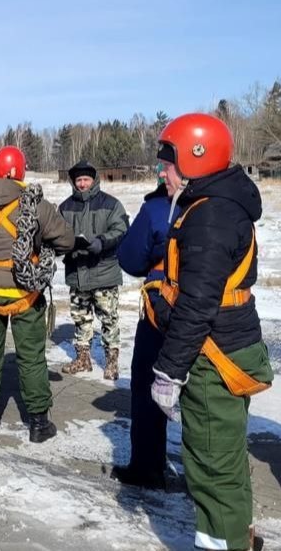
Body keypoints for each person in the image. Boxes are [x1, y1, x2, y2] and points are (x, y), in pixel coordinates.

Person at [147, 114, 272, 551]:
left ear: (197, 159)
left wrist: (169, 371)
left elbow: (199, 304)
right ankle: (239, 536)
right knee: (225, 458)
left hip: (212, 354)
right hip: (224, 343)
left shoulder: (209, 216)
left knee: (212, 463)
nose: (163, 172)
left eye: (169, 163)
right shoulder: (216, 205)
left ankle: (224, 542)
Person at [0, 146, 74, 442]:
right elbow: (67, 241)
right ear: (18, 172)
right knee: (31, 358)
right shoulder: (38, 207)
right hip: (25, 294)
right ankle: (37, 423)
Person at [110, 164, 176, 490]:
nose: (163, 175)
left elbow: (132, 258)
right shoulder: (230, 205)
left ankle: (147, 467)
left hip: (162, 313)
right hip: (219, 316)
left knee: (148, 386)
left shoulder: (157, 208)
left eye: (168, 167)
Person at [58, 160, 129, 379]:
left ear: (94, 180)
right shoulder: (65, 207)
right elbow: (57, 233)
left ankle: (111, 362)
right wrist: (64, 246)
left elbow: (121, 228)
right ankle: (82, 359)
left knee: (109, 319)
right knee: (81, 318)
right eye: (78, 180)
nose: (82, 184)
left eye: (86, 179)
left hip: (104, 272)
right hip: (77, 273)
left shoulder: (111, 204)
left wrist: (102, 241)